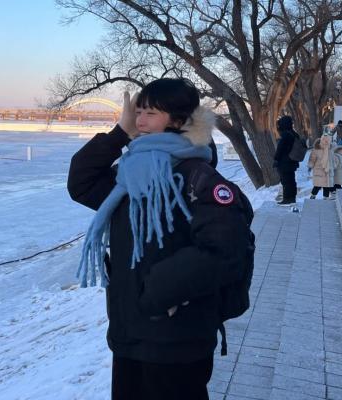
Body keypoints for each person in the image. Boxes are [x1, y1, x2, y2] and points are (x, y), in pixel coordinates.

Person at [67, 78, 253, 400]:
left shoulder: (198, 177)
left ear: (178, 121)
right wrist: (119, 133)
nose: (140, 120)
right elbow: (81, 182)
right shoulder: (131, 174)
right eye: (138, 112)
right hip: (129, 334)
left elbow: (225, 250)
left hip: (176, 337)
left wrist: (156, 292)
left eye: (150, 113)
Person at [273, 115, 300, 205]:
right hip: (293, 162)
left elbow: (280, 149)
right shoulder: (294, 134)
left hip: (285, 163)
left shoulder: (285, 135)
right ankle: (292, 198)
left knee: (286, 181)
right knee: (291, 180)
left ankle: (287, 199)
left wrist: (276, 159)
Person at [308, 135, 336, 199]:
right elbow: (312, 159)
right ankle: (315, 195)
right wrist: (310, 165)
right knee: (321, 184)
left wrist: (310, 166)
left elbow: (333, 159)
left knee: (323, 184)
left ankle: (320, 196)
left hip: (324, 170)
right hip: (322, 170)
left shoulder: (329, 149)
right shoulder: (319, 149)